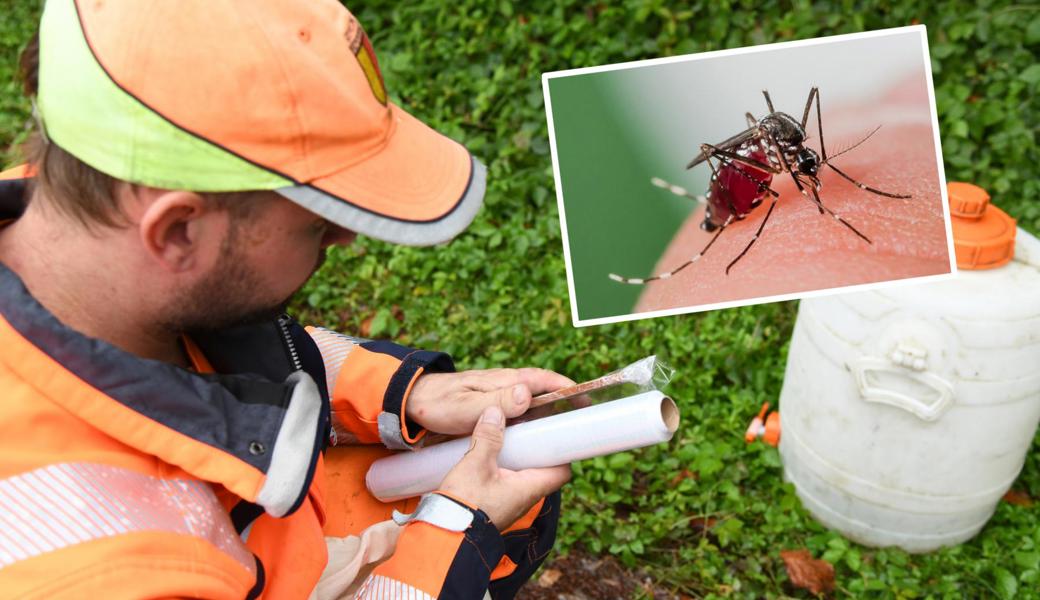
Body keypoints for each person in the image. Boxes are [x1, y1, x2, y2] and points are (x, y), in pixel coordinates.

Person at [0, 1, 571, 598]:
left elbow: (226, 337)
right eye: (316, 223)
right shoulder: (112, 567)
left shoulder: (78, 227)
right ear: (177, 231)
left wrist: (403, 394)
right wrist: (457, 529)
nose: (345, 237)